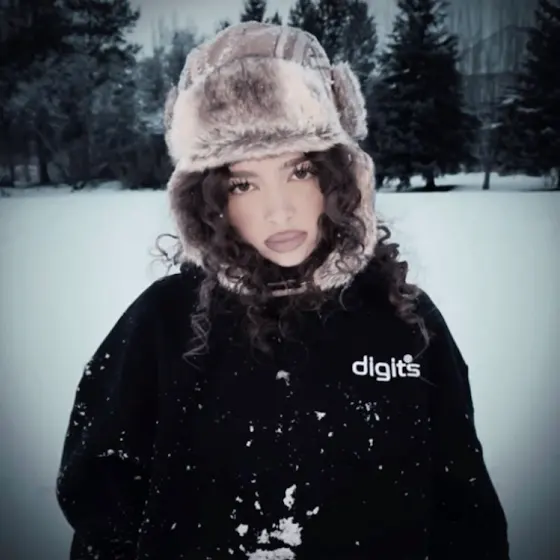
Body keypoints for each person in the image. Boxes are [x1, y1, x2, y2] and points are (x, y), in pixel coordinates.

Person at [55, 21, 510, 560]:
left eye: (299, 170)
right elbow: (101, 508)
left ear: (340, 175)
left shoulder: (406, 321)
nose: (279, 210)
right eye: (243, 183)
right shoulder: (162, 323)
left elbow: (465, 512)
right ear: (208, 199)